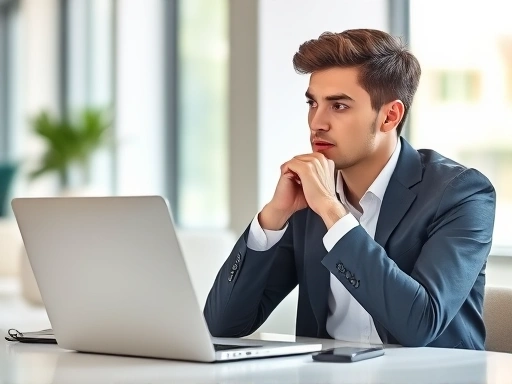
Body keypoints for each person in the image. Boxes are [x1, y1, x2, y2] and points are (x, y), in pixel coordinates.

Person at [204, 29, 496, 349]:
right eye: (312, 103)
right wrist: (274, 216)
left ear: (389, 116)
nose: (317, 122)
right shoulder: (310, 196)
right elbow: (223, 324)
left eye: (338, 106)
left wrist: (333, 212)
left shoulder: (461, 194)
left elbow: (420, 324)